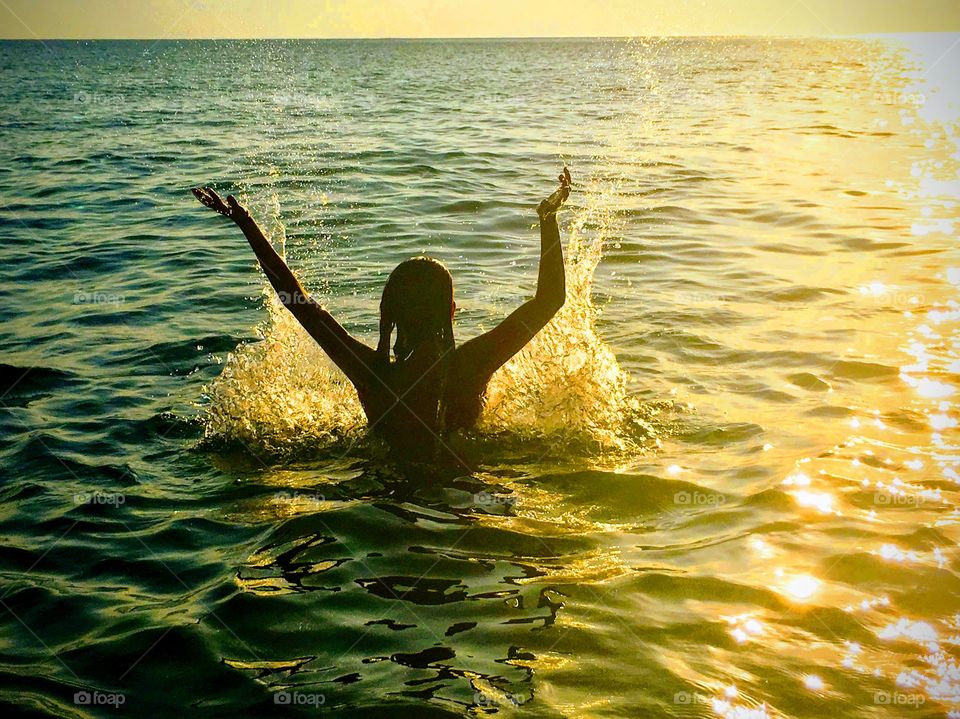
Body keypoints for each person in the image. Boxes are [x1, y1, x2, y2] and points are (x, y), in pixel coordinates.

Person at [192, 168, 571, 466]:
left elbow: (299, 304)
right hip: (462, 493)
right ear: (451, 312)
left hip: (386, 491)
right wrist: (547, 217)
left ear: (386, 314)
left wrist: (246, 226)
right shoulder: (471, 366)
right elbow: (549, 299)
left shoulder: (375, 377)